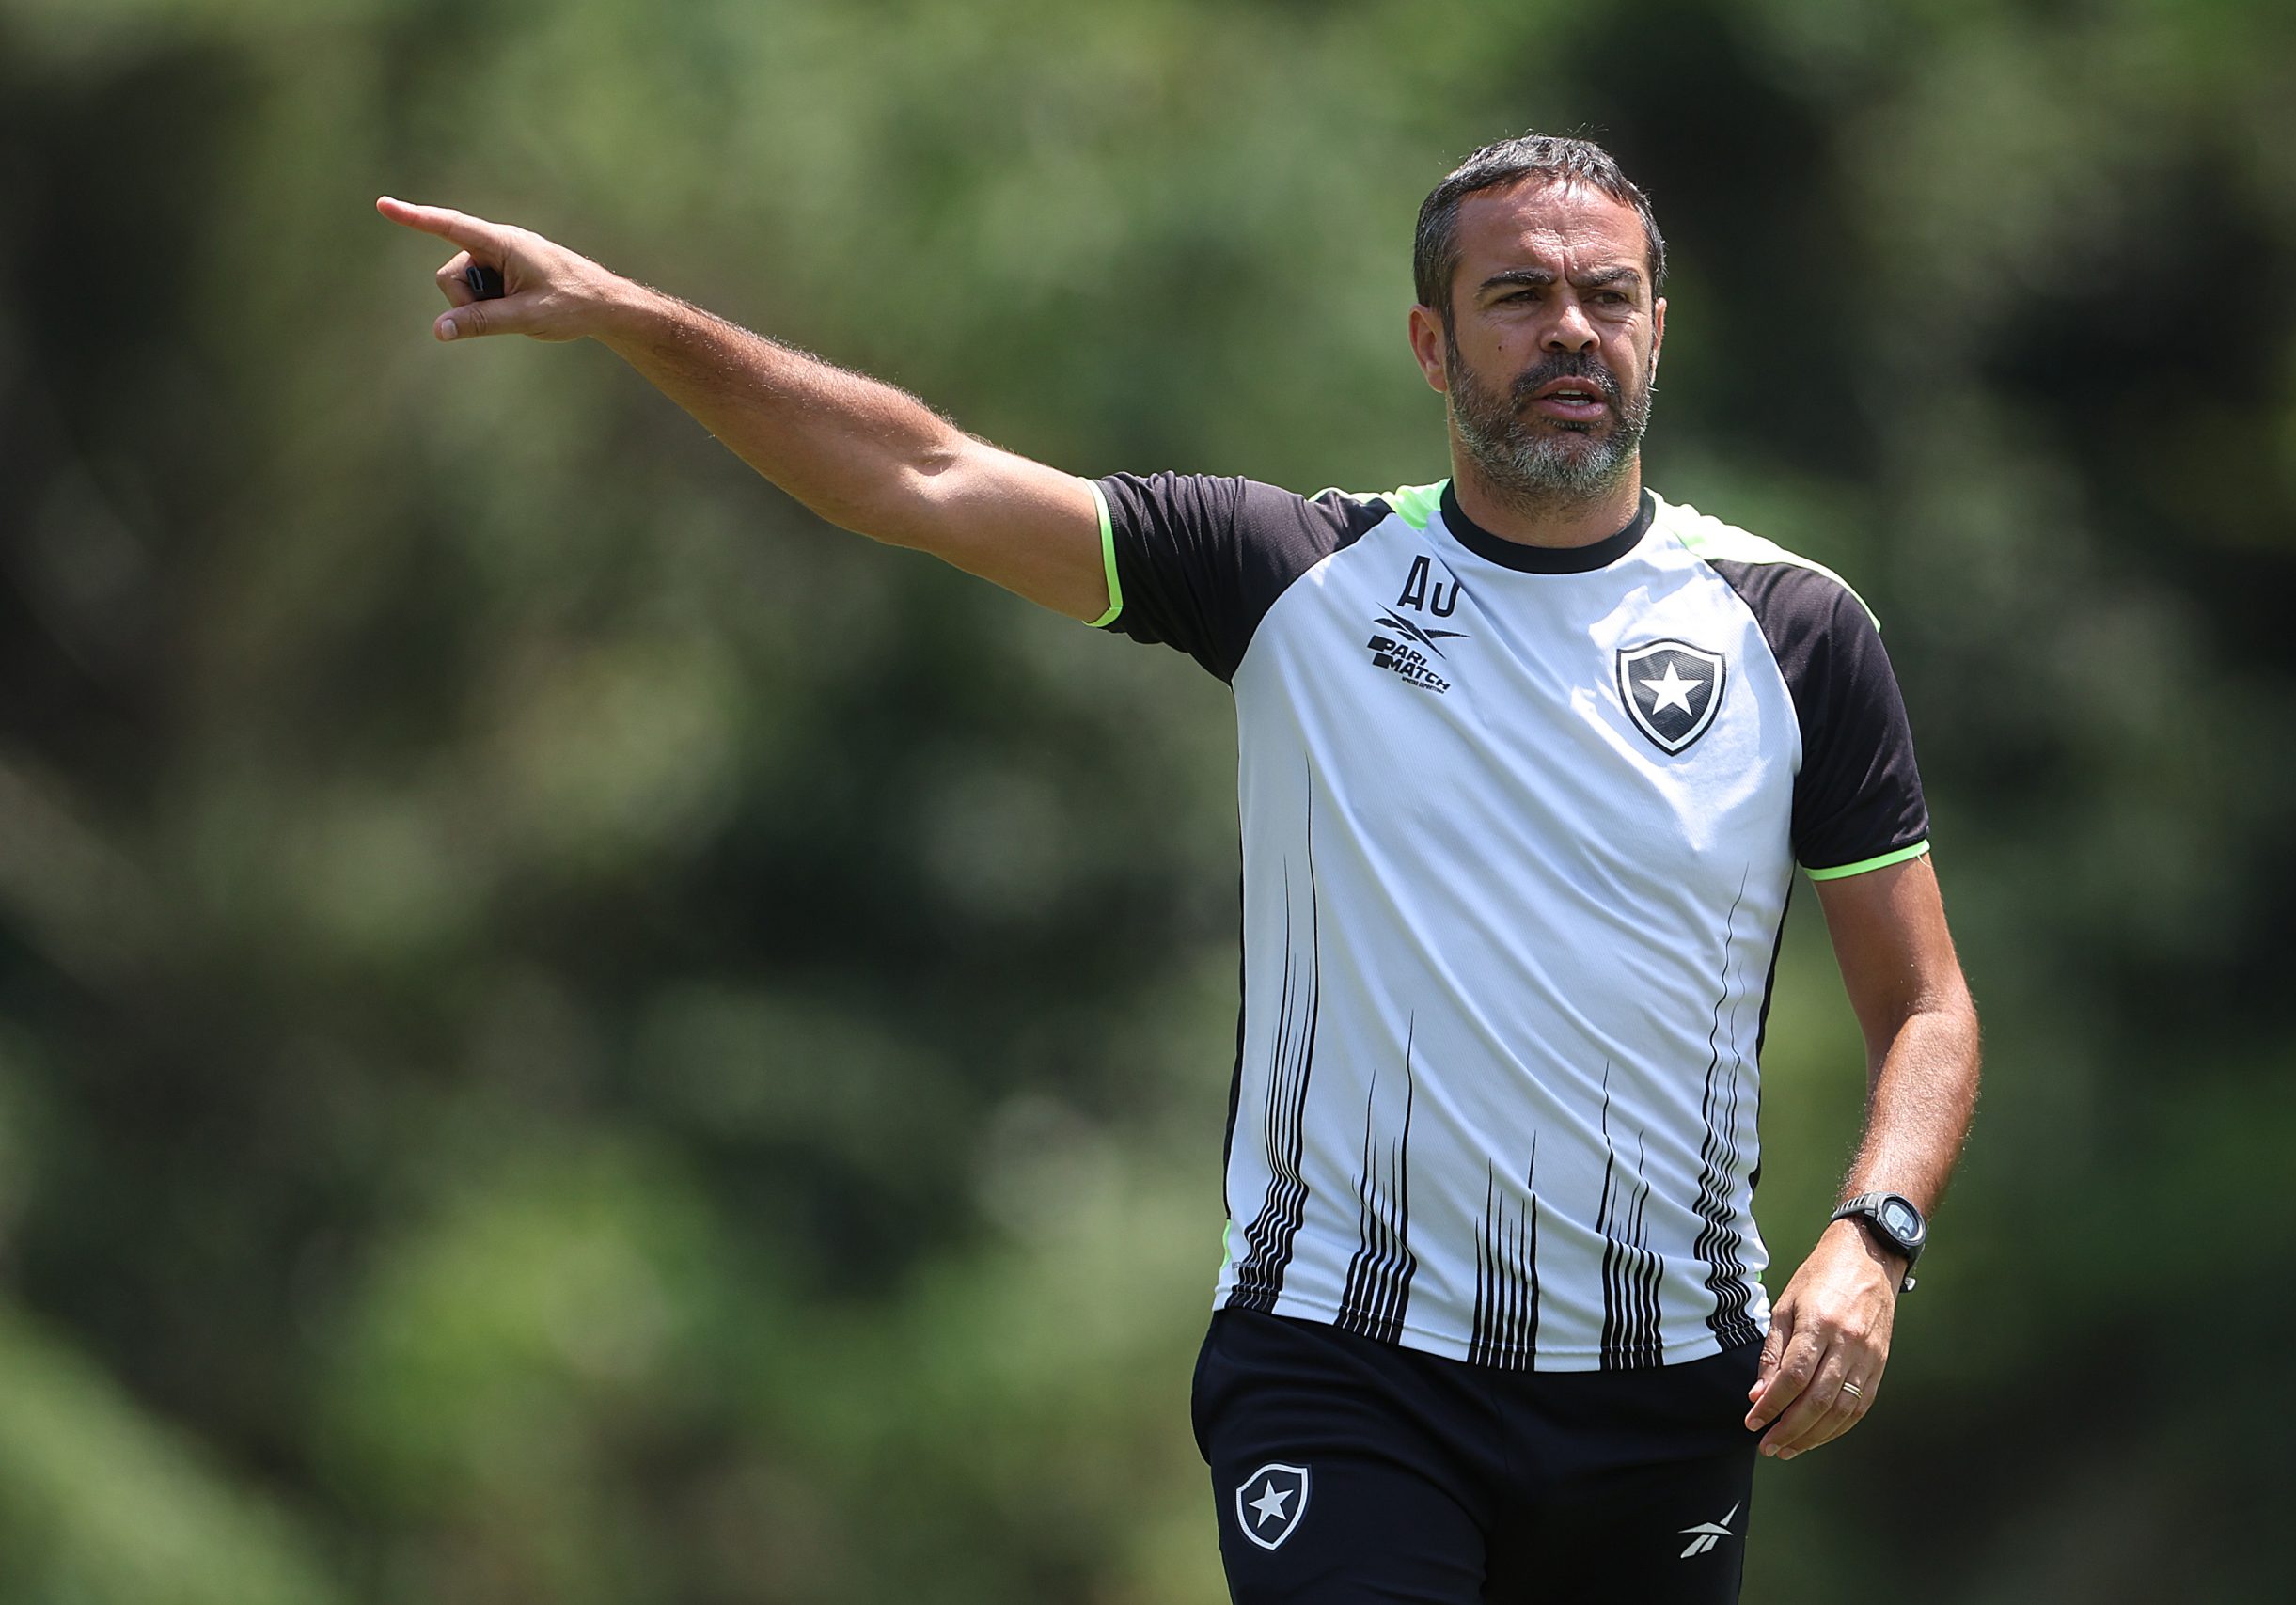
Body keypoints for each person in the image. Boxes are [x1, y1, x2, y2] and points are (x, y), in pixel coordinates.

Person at [379, 133, 1979, 1604]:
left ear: (1654, 330)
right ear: (1432, 343)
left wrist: (1873, 1238)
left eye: (1607, 297)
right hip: (1350, 1372)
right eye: (1518, 296)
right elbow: (918, 473)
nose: (1571, 330)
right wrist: (622, 314)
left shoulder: (1792, 633)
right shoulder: (1295, 577)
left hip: (1665, 1392)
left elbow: (1927, 1013)